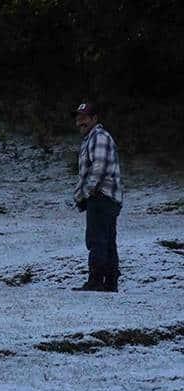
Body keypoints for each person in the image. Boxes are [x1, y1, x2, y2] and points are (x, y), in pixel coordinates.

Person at [71, 102, 123, 292]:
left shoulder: (99, 137)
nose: (80, 121)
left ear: (94, 118)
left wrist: (84, 193)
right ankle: (109, 283)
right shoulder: (92, 138)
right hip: (107, 197)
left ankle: (96, 281)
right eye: (78, 118)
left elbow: (98, 169)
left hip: (101, 197)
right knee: (107, 239)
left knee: (97, 239)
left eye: (84, 117)